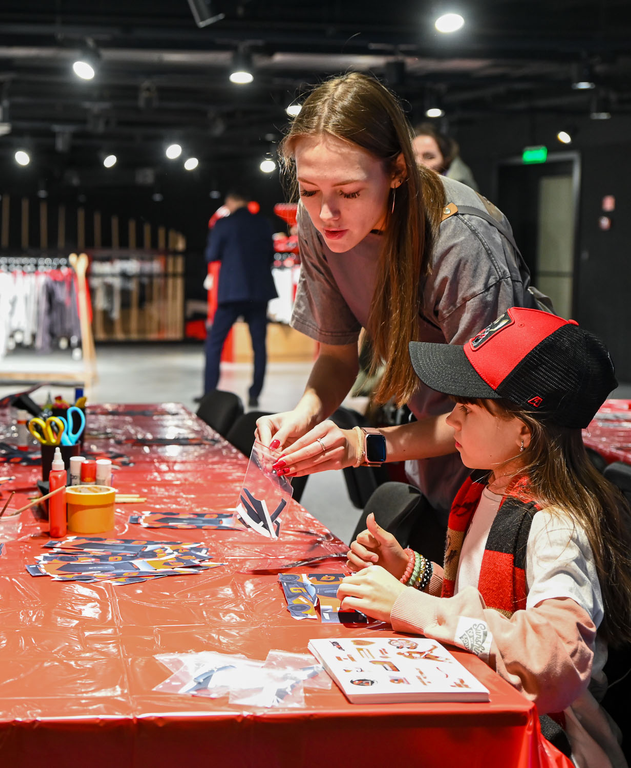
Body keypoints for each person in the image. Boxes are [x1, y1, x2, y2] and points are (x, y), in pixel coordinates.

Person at [256, 72, 540, 554]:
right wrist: (302, 415)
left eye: (348, 193)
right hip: (435, 432)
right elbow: (338, 357)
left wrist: (360, 444)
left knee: (483, 611)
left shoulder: (462, 243)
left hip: (509, 459)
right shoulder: (319, 224)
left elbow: (489, 417)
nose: (326, 214)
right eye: (307, 191)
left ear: (398, 173)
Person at [338, 307, 631, 767]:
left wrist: (410, 606)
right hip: (487, 710)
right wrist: (413, 574)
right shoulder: (486, 488)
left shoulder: (557, 526)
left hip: (548, 743)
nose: (451, 421)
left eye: (468, 408)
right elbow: (486, 613)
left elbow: (551, 659)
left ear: (524, 432)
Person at [202, 189, 277, 408]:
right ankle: (255, 394)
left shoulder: (223, 224)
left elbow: (211, 255)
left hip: (232, 292)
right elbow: (270, 254)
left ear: (230, 201)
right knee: (259, 345)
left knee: (214, 343)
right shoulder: (263, 223)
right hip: (258, 291)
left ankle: (209, 393)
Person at [412, 122, 480, 192]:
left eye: (429, 157)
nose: (418, 162)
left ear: (446, 161)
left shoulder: (457, 193)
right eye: (412, 156)